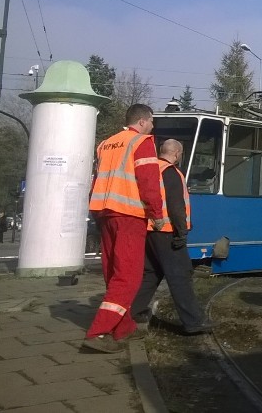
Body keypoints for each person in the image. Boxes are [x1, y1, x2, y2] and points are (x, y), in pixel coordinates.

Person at [83, 104, 165, 354]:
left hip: (103, 211)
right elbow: (148, 180)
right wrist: (156, 214)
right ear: (142, 122)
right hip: (129, 214)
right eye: (151, 122)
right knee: (128, 276)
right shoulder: (142, 142)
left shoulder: (106, 143)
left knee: (113, 271)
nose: (152, 127)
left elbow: (98, 178)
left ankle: (123, 327)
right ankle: (98, 332)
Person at [132, 139, 213, 335]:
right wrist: (181, 233)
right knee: (181, 276)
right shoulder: (171, 173)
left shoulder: (151, 169)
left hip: (149, 231)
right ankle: (194, 321)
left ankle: (132, 312)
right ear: (177, 154)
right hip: (168, 232)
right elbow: (176, 206)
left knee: (151, 273)